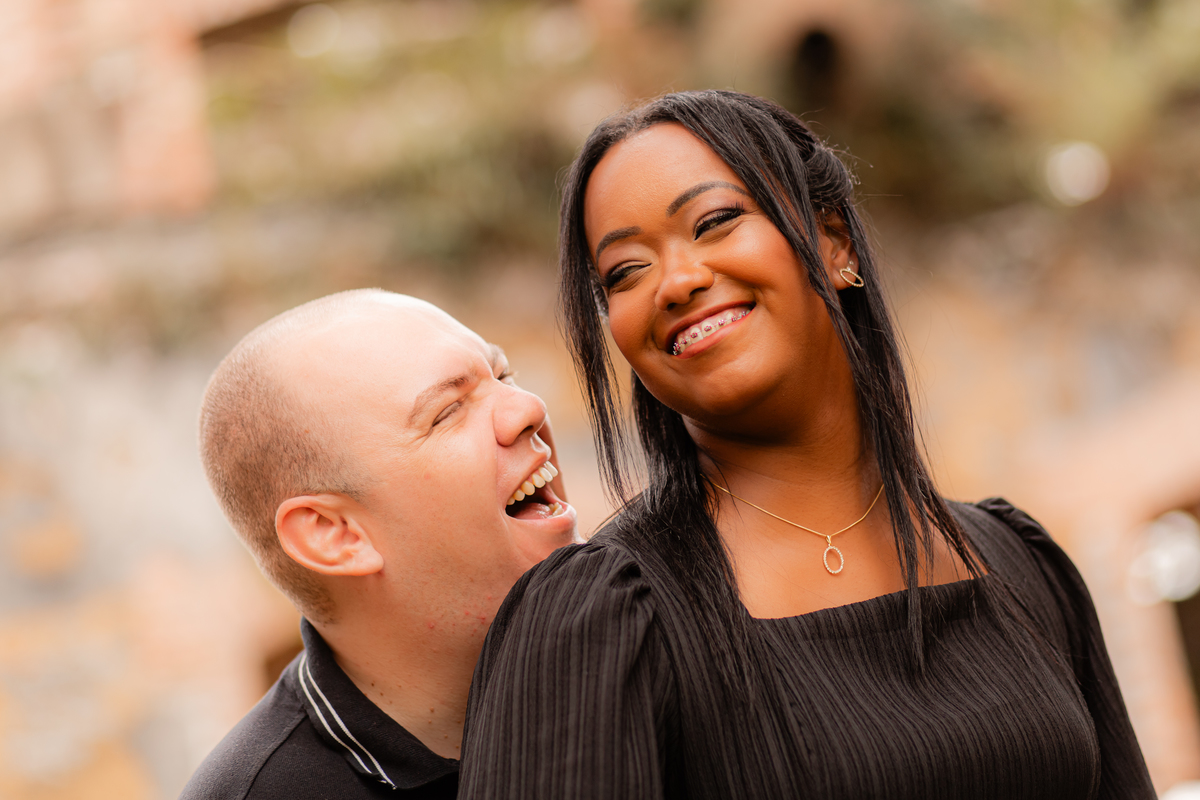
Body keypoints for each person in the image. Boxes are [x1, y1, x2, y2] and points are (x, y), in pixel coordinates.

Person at [459, 91, 1154, 798]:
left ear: (834, 241)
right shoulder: (602, 619)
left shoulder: (1020, 564)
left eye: (715, 221)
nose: (676, 282)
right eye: (625, 273)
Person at [181, 290, 576, 799]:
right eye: (448, 410)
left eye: (503, 377)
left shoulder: (653, 646)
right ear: (334, 534)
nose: (529, 407)